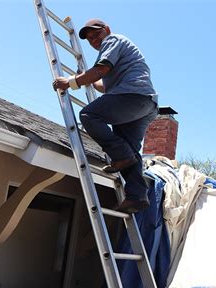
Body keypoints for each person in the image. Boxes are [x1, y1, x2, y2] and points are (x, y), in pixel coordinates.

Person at [52, 18, 157, 213]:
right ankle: (137, 197)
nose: (94, 41)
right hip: (142, 103)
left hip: (132, 96)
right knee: (130, 151)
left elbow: (100, 70)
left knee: (89, 115)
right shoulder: (116, 53)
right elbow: (102, 84)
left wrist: (71, 82)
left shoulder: (113, 40)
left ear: (106, 29)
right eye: (90, 39)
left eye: (96, 34)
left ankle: (122, 156)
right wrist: (87, 80)